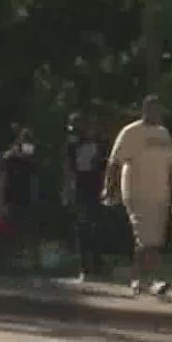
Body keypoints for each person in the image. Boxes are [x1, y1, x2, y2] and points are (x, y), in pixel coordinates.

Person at [103, 95, 172, 296]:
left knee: (155, 241)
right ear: (145, 110)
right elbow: (114, 162)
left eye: (160, 110)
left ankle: (147, 278)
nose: (158, 113)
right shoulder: (131, 131)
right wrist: (108, 187)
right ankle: (142, 279)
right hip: (137, 193)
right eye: (154, 109)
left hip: (161, 194)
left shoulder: (163, 134)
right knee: (145, 239)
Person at [63, 112, 109, 282]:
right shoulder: (72, 144)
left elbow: (105, 166)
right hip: (81, 184)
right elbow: (69, 167)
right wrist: (68, 188)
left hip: (94, 184)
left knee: (95, 225)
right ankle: (85, 266)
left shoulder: (99, 144)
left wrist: (107, 187)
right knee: (82, 225)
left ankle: (97, 262)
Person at [0, 126, 43, 277]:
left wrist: (35, 200)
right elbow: (2, 180)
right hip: (11, 200)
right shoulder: (9, 158)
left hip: (27, 201)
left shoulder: (31, 160)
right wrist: (1, 202)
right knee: (7, 234)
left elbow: (34, 181)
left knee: (30, 235)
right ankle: (2, 265)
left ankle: (33, 267)